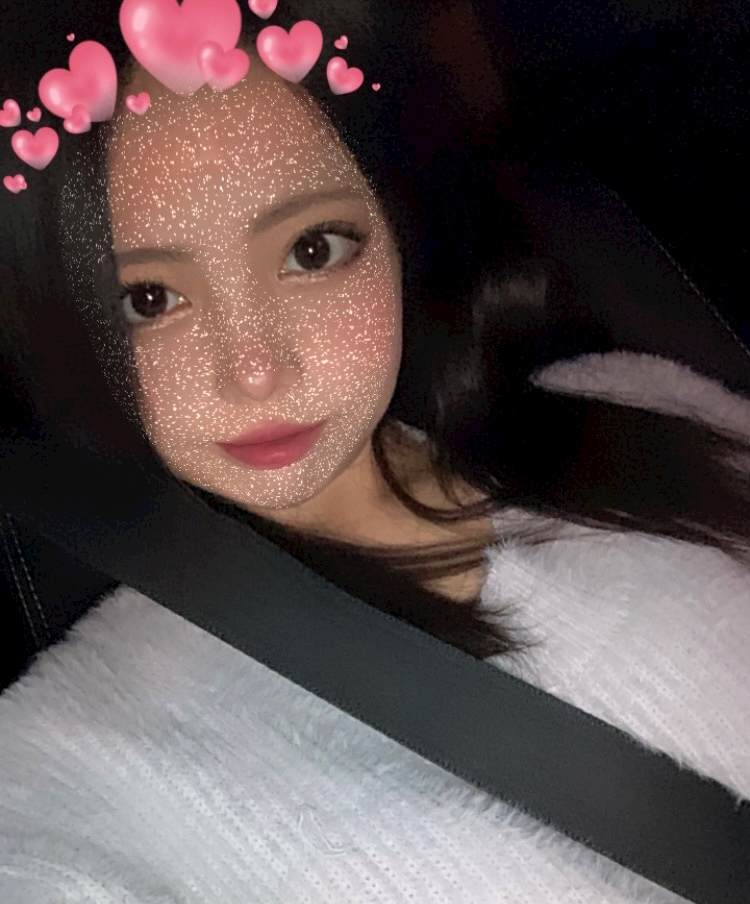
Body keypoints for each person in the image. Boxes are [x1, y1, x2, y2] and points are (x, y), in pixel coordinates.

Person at [0, 0, 748, 900]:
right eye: (148, 301)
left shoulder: (642, 397)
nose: (256, 372)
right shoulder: (84, 751)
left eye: (312, 249)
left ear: (396, 224)